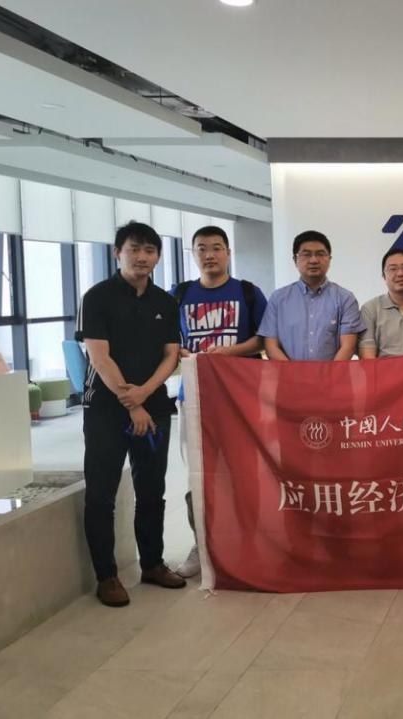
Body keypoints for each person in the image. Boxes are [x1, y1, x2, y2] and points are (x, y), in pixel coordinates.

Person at [76, 221, 185, 607]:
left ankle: (152, 564)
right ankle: (106, 576)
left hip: (155, 406)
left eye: (149, 250)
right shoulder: (97, 297)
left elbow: (171, 355)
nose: (142, 257)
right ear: (117, 253)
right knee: (102, 493)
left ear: (157, 257)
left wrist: (146, 393)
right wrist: (133, 403)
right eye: (133, 249)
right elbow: (99, 357)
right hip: (106, 409)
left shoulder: (165, 302)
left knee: (152, 490)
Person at [172, 225, 268, 578]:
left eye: (216, 247)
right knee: (197, 475)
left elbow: (263, 340)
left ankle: (249, 544)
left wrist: (229, 352)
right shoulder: (179, 294)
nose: (209, 254)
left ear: (228, 253)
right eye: (202, 248)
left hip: (240, 397)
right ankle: (202, 545)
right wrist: (181, 353)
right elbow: (167, 340)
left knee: (245, 472)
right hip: (194, 398)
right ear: (193, 254)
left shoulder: (247, 292)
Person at [258, 230, 365, 361]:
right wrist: (293, 371)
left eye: (320, 254)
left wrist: (329, 373)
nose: (313, 260)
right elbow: (271, 346)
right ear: (295, 260)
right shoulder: (278, 298)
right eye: (306, 254)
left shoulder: (345, 298)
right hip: (288, 373)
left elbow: (348, 347)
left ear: (329, 259)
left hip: (333, 373)